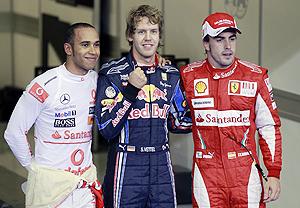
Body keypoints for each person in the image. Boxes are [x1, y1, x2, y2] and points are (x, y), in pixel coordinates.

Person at [180, 12, 282, 208]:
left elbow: (269, 126)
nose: (228, 47)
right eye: (220, 40)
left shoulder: (255, 77)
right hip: (206, 174)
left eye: (232, 39)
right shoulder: (188, 77)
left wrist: (274, 173)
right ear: (206, 44)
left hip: (245, 173)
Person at [94, 4, 191, 208]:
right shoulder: (112, 73)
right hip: (126, 162)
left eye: (153, 31)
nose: (148, 38)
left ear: (159, 36)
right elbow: (106, 129)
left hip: (161, 164)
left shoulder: (171, 74)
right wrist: (130, 90)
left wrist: (208, 107)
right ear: (130, 35)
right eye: (141, 31)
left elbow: (179, 123)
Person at [4, 23, 104, 208]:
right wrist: (34, 169)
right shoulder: (45, 85)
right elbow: (13, 132)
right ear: (68, 48)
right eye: (85, 44)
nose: (93, 51)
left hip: (85, 185)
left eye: (96, 44)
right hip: (51, 190)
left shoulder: (98, 81)